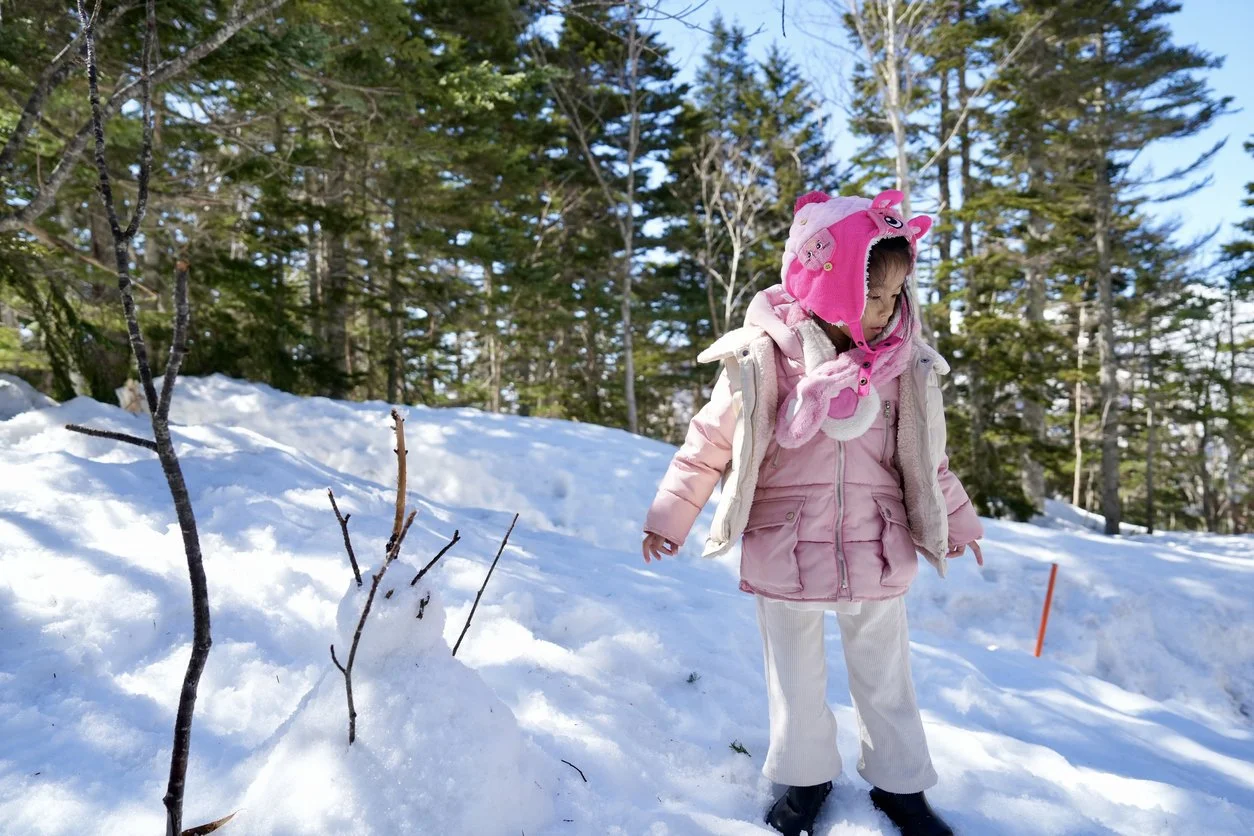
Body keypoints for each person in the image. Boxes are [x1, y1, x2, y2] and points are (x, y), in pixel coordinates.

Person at [640, 189, 984, 836]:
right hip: (786, 541)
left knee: (887, 675)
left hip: (875, 542)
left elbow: (927, 459)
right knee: (794, 677)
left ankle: (900, 785)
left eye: (895, 296)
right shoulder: (761, 358)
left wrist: (955, 521)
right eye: (873, 293)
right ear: (823, 281)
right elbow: (710, 441)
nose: (888, 311)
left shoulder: (903, 368)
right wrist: (670, 514)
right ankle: (804, 779)